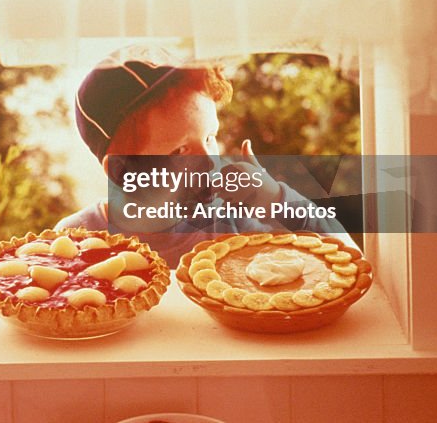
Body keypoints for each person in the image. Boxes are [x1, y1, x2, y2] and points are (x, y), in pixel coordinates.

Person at [54, 46, 351, 267]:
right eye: (180, 150)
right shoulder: (76, 239)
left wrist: (274, 198)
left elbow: (348, 259)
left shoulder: (232, 222)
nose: (210, 161)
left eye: (210, 137)